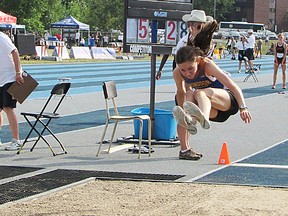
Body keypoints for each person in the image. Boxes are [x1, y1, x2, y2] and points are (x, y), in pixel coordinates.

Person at [172, 45, 252, 160]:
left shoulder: (207, 66)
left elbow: (233, 86)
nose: (187, 73)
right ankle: (191, 120)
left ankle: (202, 117)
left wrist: (243, 107)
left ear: (198, 61)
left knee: (199, 93)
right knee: (189, 94)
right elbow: (181, 92)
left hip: (227, 101)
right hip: (214, 112)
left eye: (190, 68)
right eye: (183, 70)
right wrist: (182, 112)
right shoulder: (177, 73)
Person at [155, 10, 214, 80]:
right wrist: (160, 69)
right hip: (185, 69)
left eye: (199, 26)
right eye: (191, 25)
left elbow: (208, 60)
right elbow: (177, 62)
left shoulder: (209, 42)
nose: (194, 28)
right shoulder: (183, 42)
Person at [0, 27, 24, 150]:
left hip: (10, 78)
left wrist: (18, 72)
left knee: (8, 107)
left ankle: (16, 140)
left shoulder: (1, 37)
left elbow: (15, 52)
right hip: (1, 79)